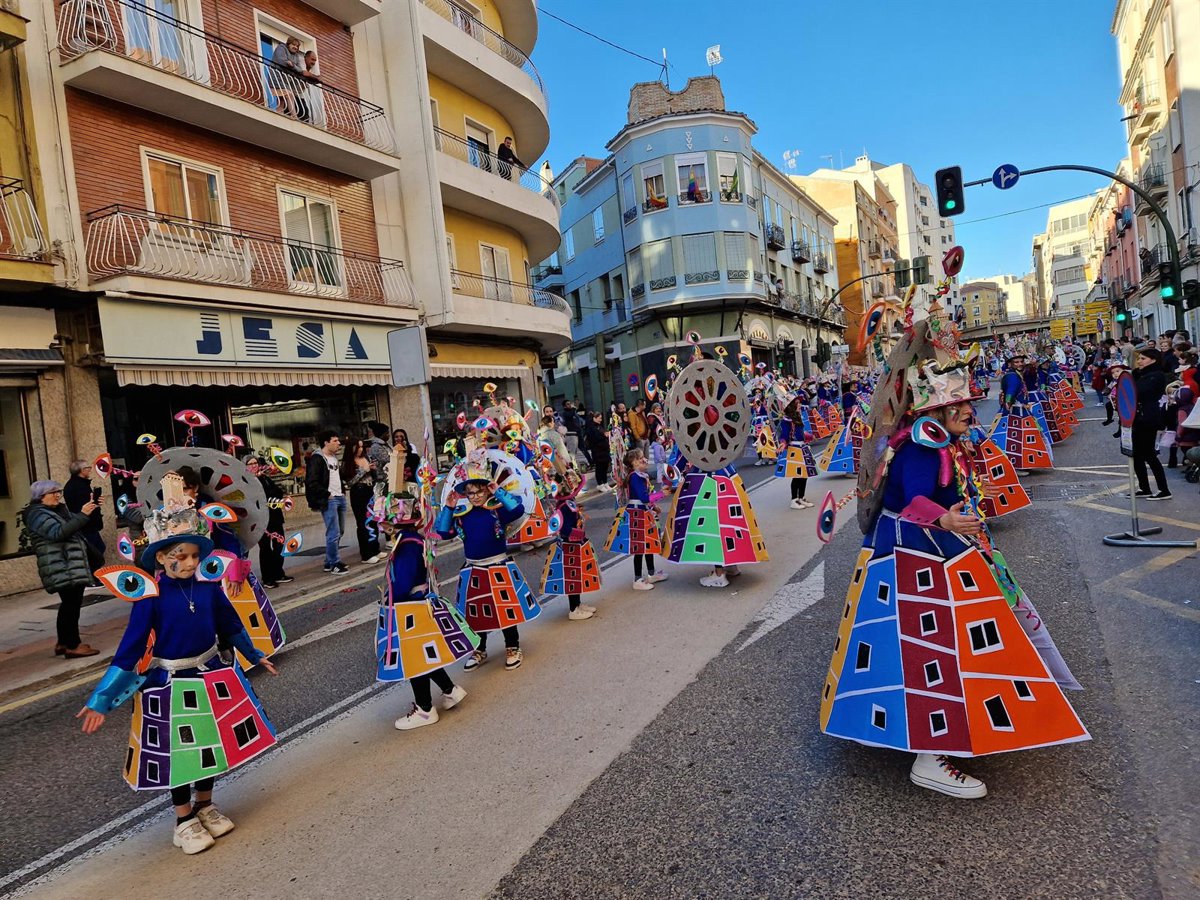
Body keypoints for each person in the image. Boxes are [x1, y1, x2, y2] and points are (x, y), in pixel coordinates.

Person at [821, 359, 1087, 799]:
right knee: (928, 648)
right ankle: (929, 757)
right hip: (914, 556)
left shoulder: (941, 443)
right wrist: (943, 517)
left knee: (955, 640)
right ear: (935, 413)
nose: (969, 410)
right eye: (959, 404)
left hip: (935, 550)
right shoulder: (922, 448)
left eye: (969, 402)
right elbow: (915, 500)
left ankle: (960, 729)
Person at [75, 479, 278, 854]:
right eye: (179, 557)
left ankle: (206, 804)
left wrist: (253, 653)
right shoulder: (151, 597)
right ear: (161, 558)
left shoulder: (207, 587)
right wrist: (102, 699)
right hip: (169, 681)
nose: (188, 564)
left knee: (211, 745)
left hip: (210, 672)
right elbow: (130, 649)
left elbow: (230, 624)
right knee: (181, 755)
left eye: (193, 556)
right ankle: (184, 818)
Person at [379, 479, 477, 731]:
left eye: (385, 518)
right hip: (420, 605)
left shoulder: (406, 545)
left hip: (409, 607)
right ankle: (450, 689)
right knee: (426, 654)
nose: (382, 524)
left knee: (415, 660)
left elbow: (402, 582)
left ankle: (424, 709)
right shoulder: (413, 539)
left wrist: (390, 601)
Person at [436, 455, 539, 670]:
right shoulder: (462, 513)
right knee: (475, 614)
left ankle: (512, 647)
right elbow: (444, 532)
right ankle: (479, 649)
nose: (474, 497)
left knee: (505, 610)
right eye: (470, 492)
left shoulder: (496, 509)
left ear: (486, 489)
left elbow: (518, 510)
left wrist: (498, 491)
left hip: (498, 567)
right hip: (473, 569)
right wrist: (448, 507)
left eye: (479, 491)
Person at [22, 481, 100, 658]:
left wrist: (91, 510)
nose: (58, 495)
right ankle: (73, 645)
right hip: (61, 564)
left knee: (69, 604)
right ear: (40, 496)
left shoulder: (56, 510)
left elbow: (78, 524)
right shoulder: (36, 514)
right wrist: (82, 515)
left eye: (58, 491)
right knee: (71, 605)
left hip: (68, 563)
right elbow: (57, 533)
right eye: (53, 492)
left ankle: (63, 642)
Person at [540, 469, 599, 621]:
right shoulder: (563, 506)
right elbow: (563, 527)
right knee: (572, 578)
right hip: (569, 546)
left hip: (575, 543)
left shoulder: (568, 503)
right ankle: (573, 609)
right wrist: (577, 534)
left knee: (577, 575)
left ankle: (578, 604)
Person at [604, 448, 666, 591]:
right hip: (637, 515)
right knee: (639, 548)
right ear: (633, 463)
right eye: (640, 458)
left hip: (644, 512)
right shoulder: (634, 477)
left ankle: (651, 573)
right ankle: (637, 579)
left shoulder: (640, 476)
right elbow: (643, 497)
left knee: (649, 544)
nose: (644, 460)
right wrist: (661, 494)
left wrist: (653, 506)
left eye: (644, 457)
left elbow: (644, 497)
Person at [304, 430, 349, 574]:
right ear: (326, 442)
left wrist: (342, 490)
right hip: (329, 499)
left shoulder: (334, 458)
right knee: (333, 532)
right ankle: (335, 563)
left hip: (339, 496)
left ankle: (329, 561)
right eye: (335, 441)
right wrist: (327, 494)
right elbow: (311, 481)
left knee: (340, 531)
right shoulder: (317, 459)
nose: (338, 443)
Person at [1130, 348, 1171, 500]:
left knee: (1149, 454)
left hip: (1149, 418)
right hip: (1138, 418)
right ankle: (1144, 487)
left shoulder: (1156, 375)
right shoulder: (1141, 374)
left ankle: (1164, 490)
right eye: (1139, 358)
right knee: (1136, 454)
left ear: (1153, 360)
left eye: (1143, 358)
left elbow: (1140, 392)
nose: (1139, 361)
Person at [247, 456, 292, 589]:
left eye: (255, 463)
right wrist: (270, 495)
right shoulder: (248, 482)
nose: (254, 466)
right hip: (261, 520)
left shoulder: (265, 478)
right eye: (250, 464)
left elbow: (278, 492)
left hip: (275, 517)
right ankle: (268, 578)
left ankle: (278, 572)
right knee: (266, 549)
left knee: (279, 545)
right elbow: (259, 497)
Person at [343, 439, 383, 564]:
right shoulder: (348, 463)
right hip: (358, 493)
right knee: (363, 523)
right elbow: (349, 482)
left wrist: (374, 469)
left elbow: (375, 476)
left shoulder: (366, 458)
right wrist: (363, 470)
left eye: (362, 447)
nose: (360, 450)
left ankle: (375, 549)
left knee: (373, 520)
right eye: (357, 448)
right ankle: (366, 554)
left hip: (370, 490)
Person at [63, 460, 105, 570]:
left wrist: (96, 503)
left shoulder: (79, 484)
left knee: (98, 548)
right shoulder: (77, 486)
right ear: (82, 470)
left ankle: (93, 576)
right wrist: (93, 505)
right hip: (85, 524)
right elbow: (83, 506)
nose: (90, 470)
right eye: (88, 468)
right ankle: (92, 577)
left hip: (87, 523)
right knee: (94, 550)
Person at [776, 396, 816, 509]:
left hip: (802, 448)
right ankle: (794, 500)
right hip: (794, 449)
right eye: (797, 403)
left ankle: (801, 498)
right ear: (791, 406)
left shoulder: (798, 417)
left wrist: (810, 436)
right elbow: (784, 434)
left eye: (799, 403)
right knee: (797, 475)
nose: (799, 405)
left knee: (804, 475)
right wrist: (783, 443)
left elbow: (800, 433)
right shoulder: (786, 420)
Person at [270, 37, 307, 119]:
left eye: (297, 46)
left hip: (286, 81)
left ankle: (279, 116)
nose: (295, 47)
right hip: (277, 77)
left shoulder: (296, 56)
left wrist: (292, 65)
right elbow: (282, 62)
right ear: (288, 44)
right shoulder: (281, 48)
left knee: (282, 101)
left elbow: (300, 69)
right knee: (289, 95)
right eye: (293, 45)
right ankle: (294, 116)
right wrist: (292, 66)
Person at [583, 410, 612, 492]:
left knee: (605, 468)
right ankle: (600, 484)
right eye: (599, 418)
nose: (601, 420)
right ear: (594, 418)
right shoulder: (590, 428)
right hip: (597, 451)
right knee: (599, 468)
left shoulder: (599, 426)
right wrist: (604, 435)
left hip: (604, 450)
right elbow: (594, 439)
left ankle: (605, 483)